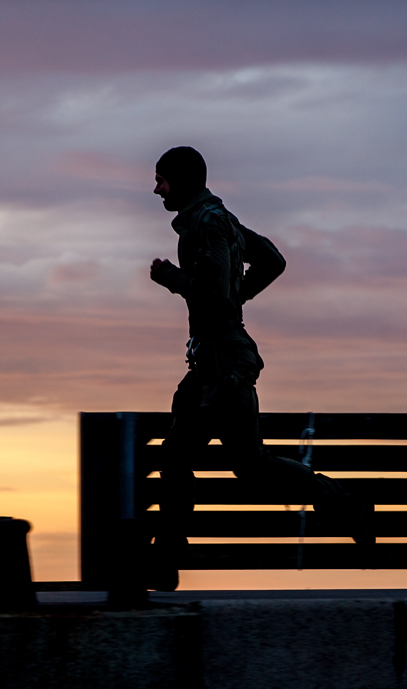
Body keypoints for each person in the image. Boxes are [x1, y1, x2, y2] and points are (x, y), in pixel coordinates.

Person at [148, 146, 371, 591]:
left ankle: (345, 503)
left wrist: (169, 277)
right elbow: (272, 260)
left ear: (182, 181)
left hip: (223, 365)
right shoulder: (219, 219)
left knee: (247, 465)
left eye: (162, 180)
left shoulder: (208, 223)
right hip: (213, 362)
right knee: (180, 458)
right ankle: (166, 559)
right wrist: (240, 295)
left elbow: (213, 293)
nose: (157, 190)